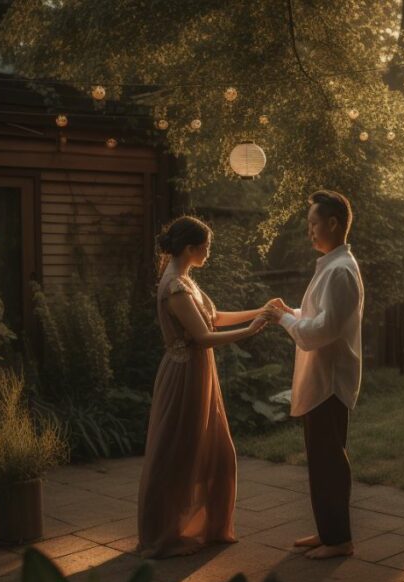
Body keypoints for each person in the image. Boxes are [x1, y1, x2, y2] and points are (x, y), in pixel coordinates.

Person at [137, 215, 276, 558]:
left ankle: (208, 526)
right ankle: (164, 532)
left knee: (215, 450)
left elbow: (213, 318)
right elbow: (203, 337)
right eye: (206, 247)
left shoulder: (186, 280)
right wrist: (252, 330)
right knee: (176, 451)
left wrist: (261, 310)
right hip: (184, 375)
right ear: (190, 248)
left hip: (199, 372)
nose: (209, 253)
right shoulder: (174, 286)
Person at [265, 190, 364, 560]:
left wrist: (284, 319)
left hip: (330, 382)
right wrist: (289, 310)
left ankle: (340, 541)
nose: (309, 231)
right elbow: (320, 316)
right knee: (321, 460)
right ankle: (328, 533)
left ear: (333, 223)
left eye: (313, 224)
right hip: (320, 380)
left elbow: (323, 331)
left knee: (329, 462)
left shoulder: (340, 271)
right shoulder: (331, 266)